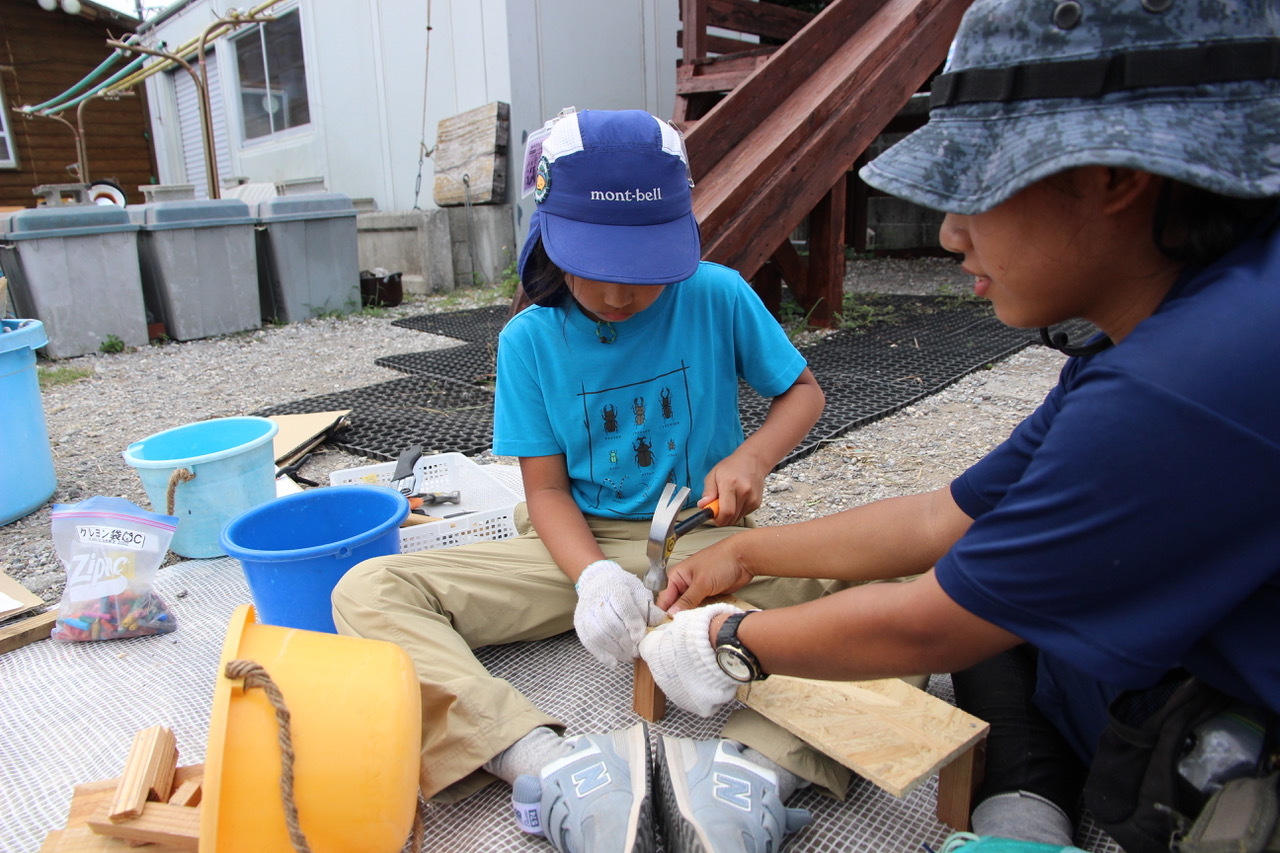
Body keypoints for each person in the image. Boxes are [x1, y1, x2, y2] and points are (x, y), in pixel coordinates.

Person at [638, 0, 1280, 848]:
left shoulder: (1177, 383)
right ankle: (1030, 813)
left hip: (1232, 718)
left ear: (1113, 176)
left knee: (994, 625)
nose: (949, 234)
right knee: (1012, 622)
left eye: (973, 185)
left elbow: (930, 620)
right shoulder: (1179, 317)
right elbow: (942, 518)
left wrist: (727, 638)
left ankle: (1030, 821)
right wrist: (746, 552)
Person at [333, 108, 849, 853]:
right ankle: (545, 763)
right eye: (595, 265)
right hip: (575, 542)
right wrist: (595, 579)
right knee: (368, 591)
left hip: (708, 542)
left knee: (907, 587)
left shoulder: (718, 294)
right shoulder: (530, 339)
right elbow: (544, 492)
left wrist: (752, 458)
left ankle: (754, 770)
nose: (617, 293)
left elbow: (803, 393)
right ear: (549, 234)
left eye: (643, 270)